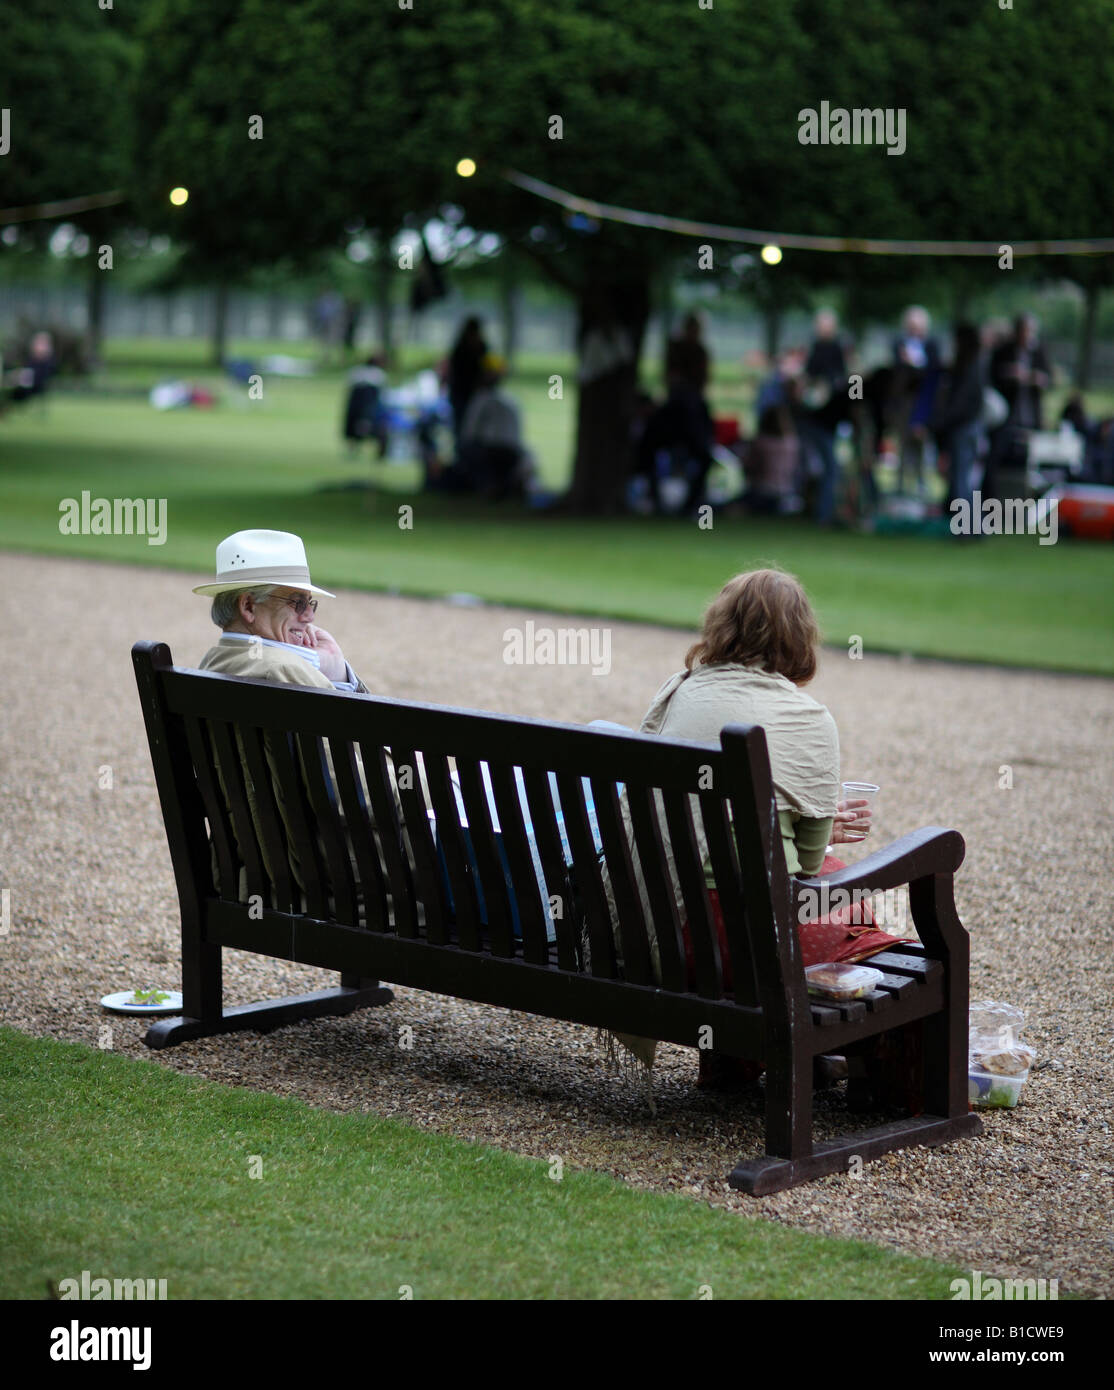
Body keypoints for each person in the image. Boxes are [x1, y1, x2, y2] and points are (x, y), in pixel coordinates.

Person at [601, 569, 912, 1089]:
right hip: (746, 948)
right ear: (800, 638)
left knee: (823, 887)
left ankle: (737, 1059)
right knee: (853, 910)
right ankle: (867, 1070)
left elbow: (683, 817)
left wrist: (784, 827)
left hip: (665, 930)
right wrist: (820, 827)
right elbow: (807, 870)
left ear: (721, 625)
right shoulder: (808, 719)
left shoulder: (679, 692)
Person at [194, 529, 366, 692]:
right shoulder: (284, 669)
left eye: (309, 603)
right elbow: (362, 721)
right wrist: (337, 667)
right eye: (297, 602)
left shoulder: (209, 662)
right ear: (248, 606)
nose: (310, 616)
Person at [457, 353, 534, 499]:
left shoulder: (481, 399)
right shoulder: (512, 400)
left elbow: (470, 432)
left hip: (492, 450)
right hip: (513, 449)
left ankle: (488, 488)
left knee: (468, 450)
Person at [932, 323, 985, 516]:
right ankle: (971, 525)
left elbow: (960, 403)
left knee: (961, 479)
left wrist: (942, 422)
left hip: (963, 428)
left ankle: (967, 526)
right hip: (968, 426)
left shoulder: (969, 367)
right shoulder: (975, 365)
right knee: (964, 478)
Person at [891, 306, 942, 497]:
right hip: (905, 401)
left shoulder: (932, 345)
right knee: (903, 444)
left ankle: (921, 484)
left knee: (922, 443)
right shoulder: (899, 344)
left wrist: (915, 365)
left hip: (925, 401)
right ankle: (901, 484)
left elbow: (933, 373)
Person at [447, 316, 488, 448]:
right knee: (461, 426)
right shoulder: (462, 348)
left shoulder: (479, 347)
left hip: (473, 395)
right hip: (462, 394)